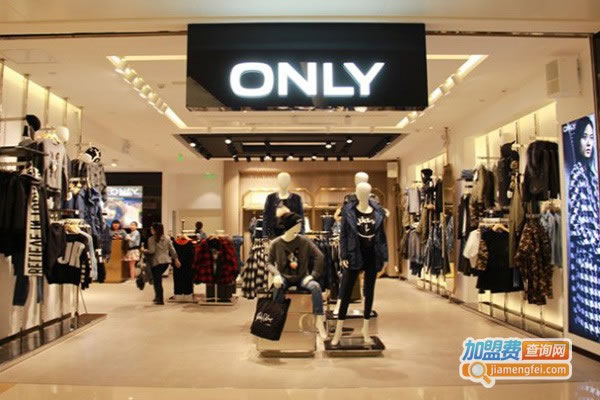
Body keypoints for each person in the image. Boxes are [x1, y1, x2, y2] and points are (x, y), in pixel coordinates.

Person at [568, 115, 600, 341]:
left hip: (593, 258)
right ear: (577, 140)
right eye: (584, 137)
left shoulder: (590, 175)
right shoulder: (578, 175)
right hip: (588, 261)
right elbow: (575, 224)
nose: (588, 143)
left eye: (591, 137)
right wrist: (596, 244)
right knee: (591, 317)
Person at [145, 222, 180, 305]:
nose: (151, 230)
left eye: (152, 229)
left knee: (157, 281)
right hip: (166, 262)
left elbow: (152, 251)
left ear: (155, 230)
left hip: (156, 262)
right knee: (158, 280)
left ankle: (160, 299)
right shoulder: (167, 238)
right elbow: (172, 250)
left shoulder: (151, 239)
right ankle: (157, 297)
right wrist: (176, 259)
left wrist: (144, 250)